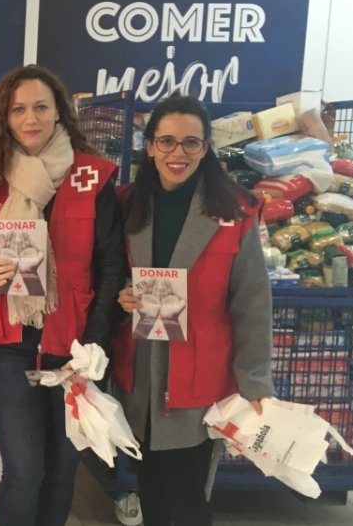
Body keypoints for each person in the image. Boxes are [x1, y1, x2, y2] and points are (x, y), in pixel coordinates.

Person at [0, 64, 126, 526]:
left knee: (61, 472)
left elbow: (112, 267)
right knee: (23, 472)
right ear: (4, 118)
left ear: (60, 113)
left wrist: (95, 341)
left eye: (40, 107)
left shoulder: (94, 178)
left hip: (74, 351)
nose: (30, 118)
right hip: (9, 351)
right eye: (18, 109)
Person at [112, 95, 274, 526]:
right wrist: (123, 295)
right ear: (149, 146)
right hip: (141, 377)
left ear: (206, 148)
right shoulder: (126, 204)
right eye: (166, 142)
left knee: (188, 503)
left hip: (199, 382)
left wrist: (255, 381)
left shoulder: (235, 211)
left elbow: (252, 301)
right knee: (153, 496)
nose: (177, 154)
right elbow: (107, 276)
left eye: (190, 143)